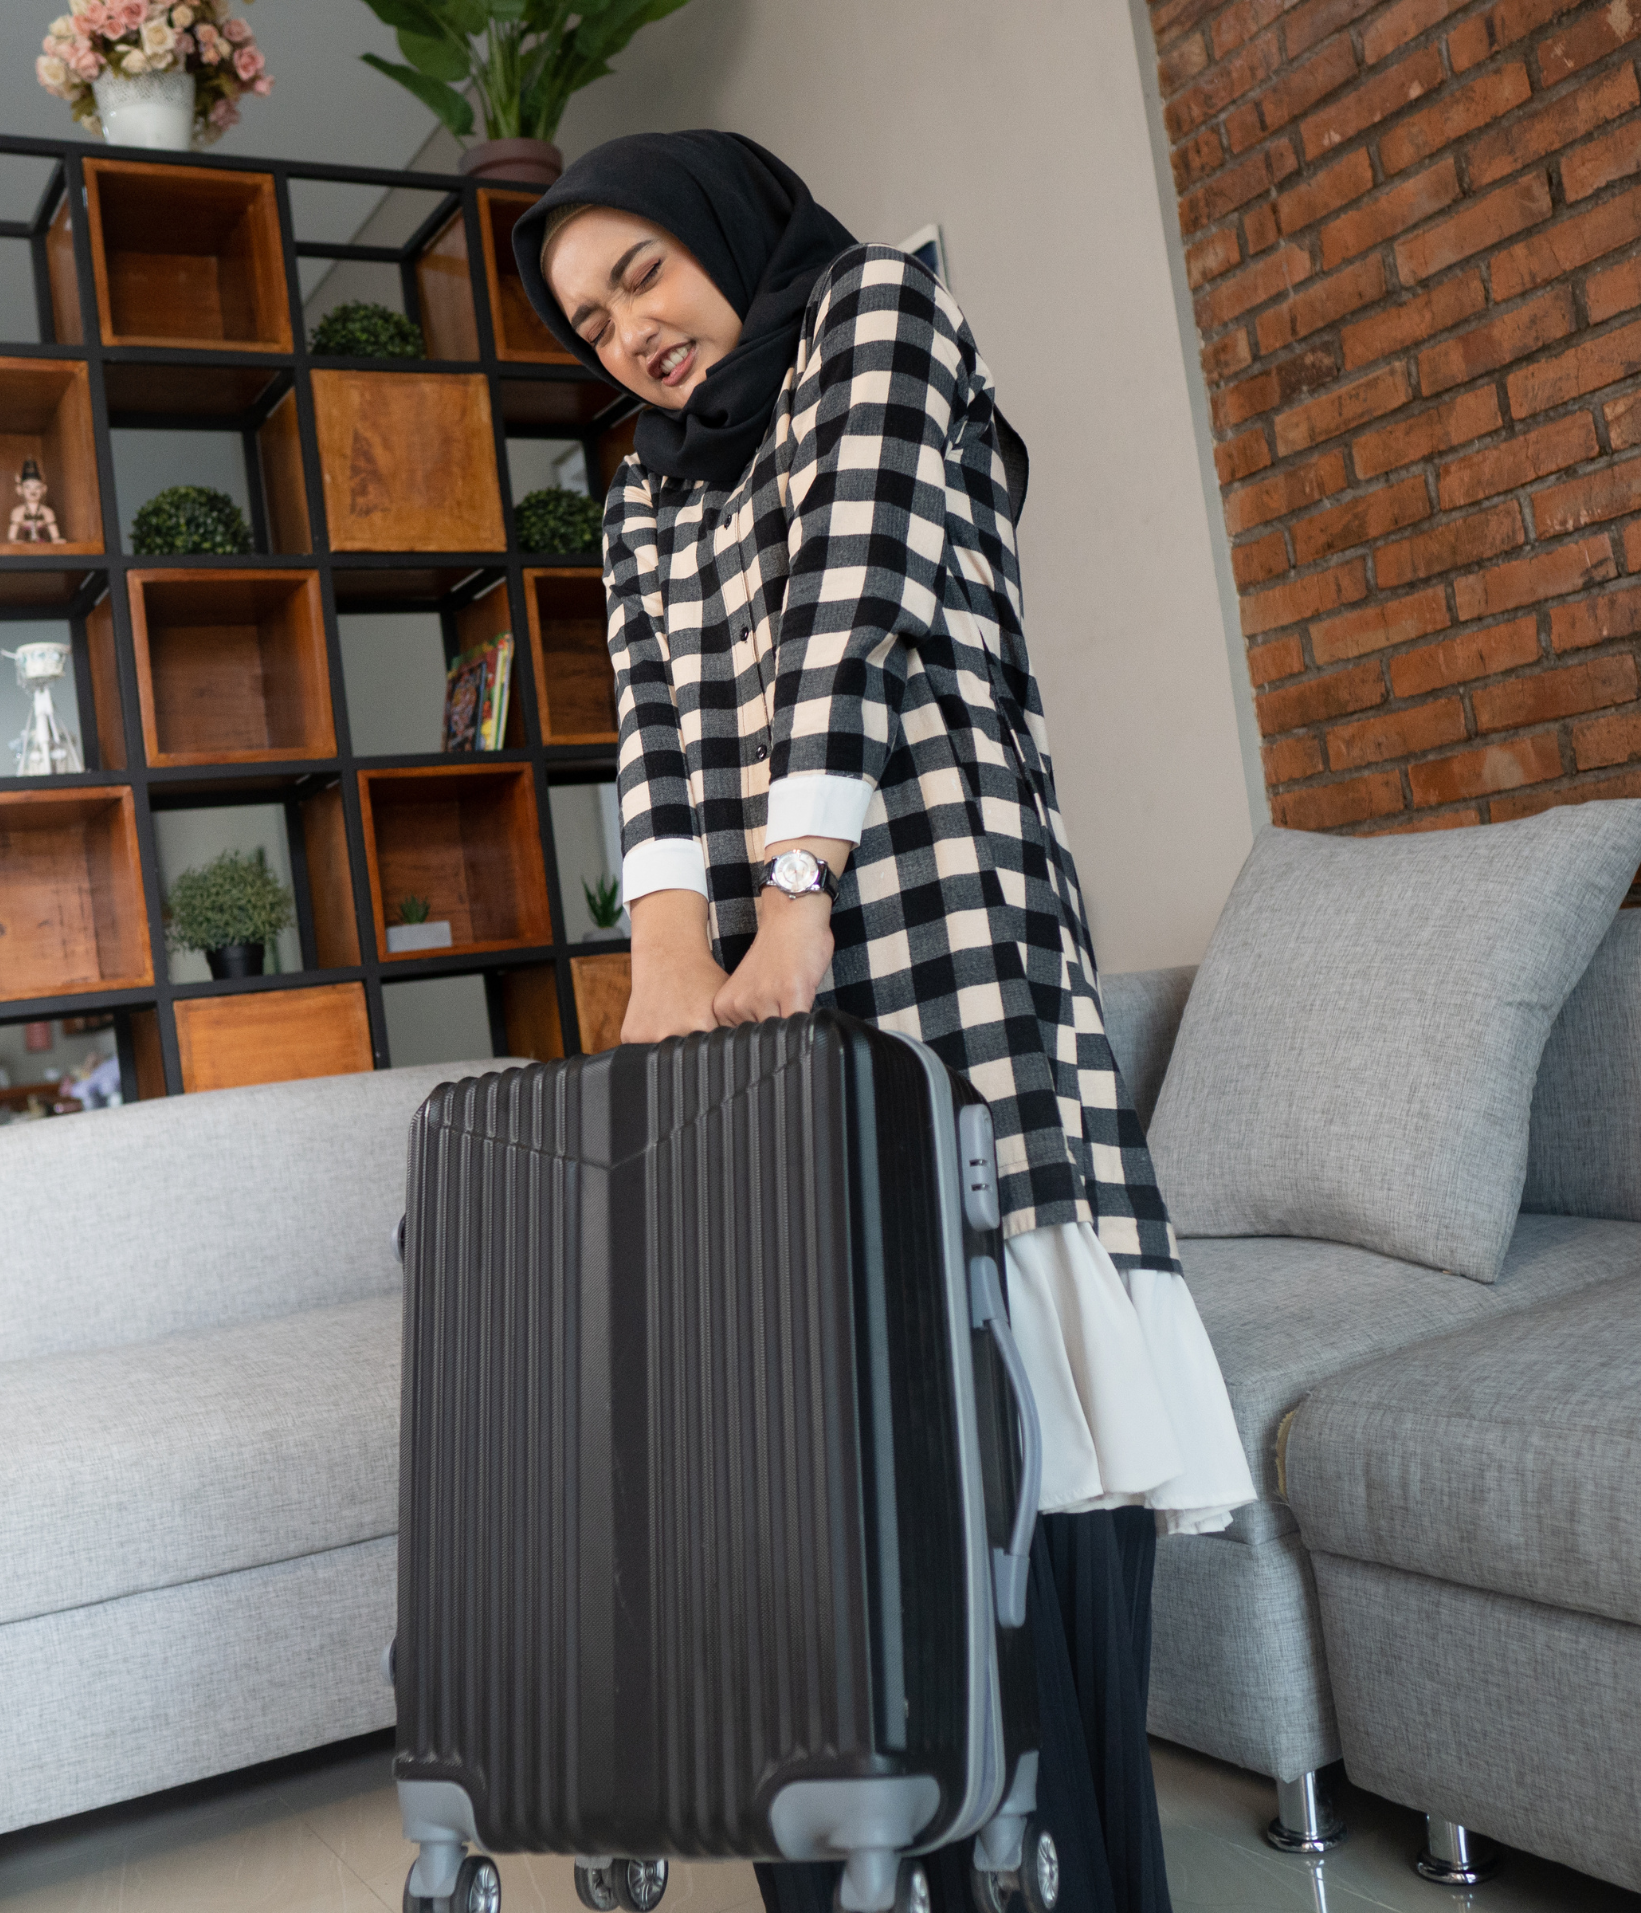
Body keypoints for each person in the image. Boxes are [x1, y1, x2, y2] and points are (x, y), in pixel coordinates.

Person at [518, 133, 1258, 1913]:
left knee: (1000, 1402)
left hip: (937, 910)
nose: (628, 330)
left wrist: (791, 905)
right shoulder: (643, 491)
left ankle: (1062, 1868)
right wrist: (665, 957)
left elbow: (849, 614)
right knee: (802, 1434)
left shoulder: (877, 315)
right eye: (587, 318)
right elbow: (659, 730)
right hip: (763, 955)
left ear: (722, 234)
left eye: (643, 275)